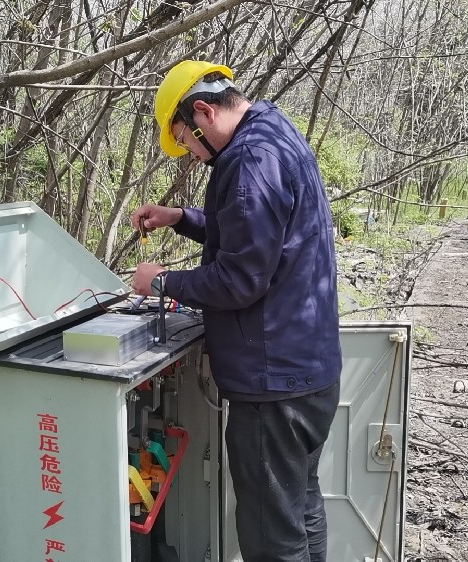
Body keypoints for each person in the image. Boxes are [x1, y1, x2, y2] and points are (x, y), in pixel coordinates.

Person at [130, 60, 342, 562]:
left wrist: (161, 281)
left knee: (273, 535)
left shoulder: (249, 160)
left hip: (274, 388)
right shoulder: (273, 133)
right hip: (309, 374)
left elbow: (241, 277)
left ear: (203, 113)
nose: (192, 154)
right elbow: (253, 230)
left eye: (185, 142)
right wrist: (180, 218)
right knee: (301, 509)